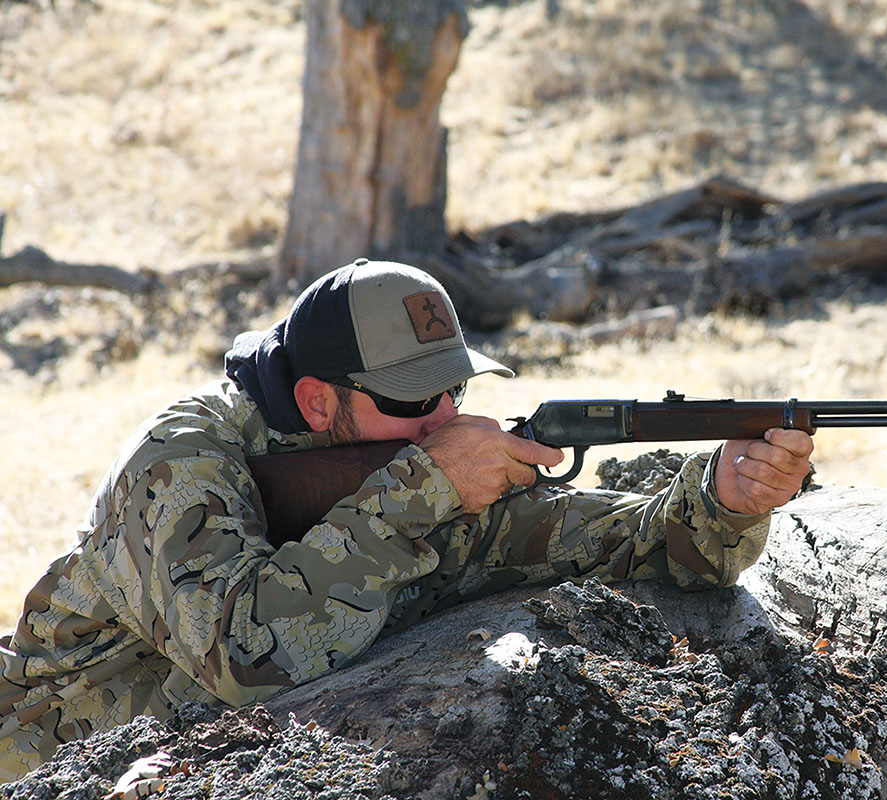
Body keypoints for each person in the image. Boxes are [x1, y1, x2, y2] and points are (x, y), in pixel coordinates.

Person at [0, 259, 813, 779]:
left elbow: (624, 543)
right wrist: (419, 490)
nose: (445, 419)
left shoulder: (413, 466)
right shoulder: (179, 462)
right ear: (318, 400)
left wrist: (722, 500)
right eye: (411, 400)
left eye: (455, 390)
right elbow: (244, 653)